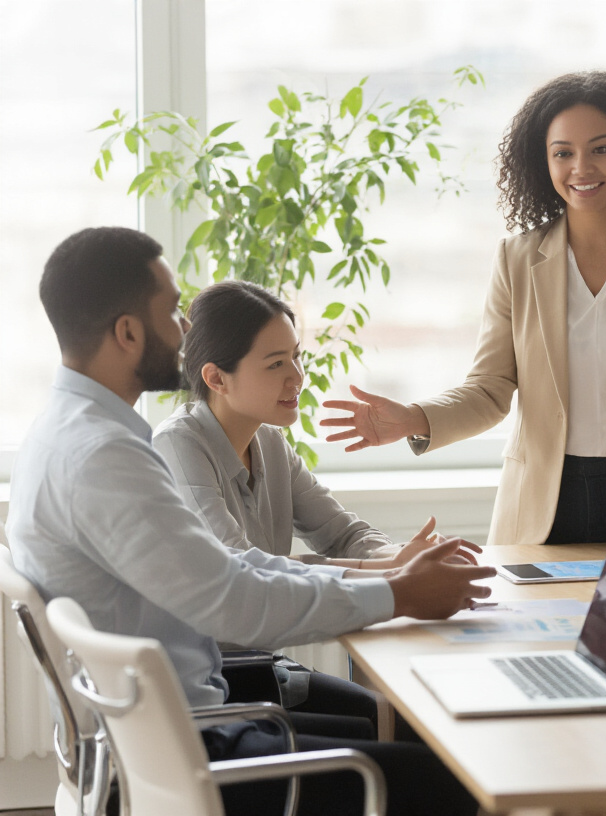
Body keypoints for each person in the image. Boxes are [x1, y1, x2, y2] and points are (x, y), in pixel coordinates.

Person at [6, 226, 495, 816]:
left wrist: (390, 580)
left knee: (403, 734)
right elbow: (234, 600)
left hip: (160, 732)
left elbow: (231, 571)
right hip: (180, 752)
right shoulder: (105, 456)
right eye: (173, 314)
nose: (187, 332)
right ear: (128, 332)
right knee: (451, 779)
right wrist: (396, 593)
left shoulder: (69, 431)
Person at [321, 70, 606, 546]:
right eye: (563, 153)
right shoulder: (516, 259)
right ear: (545, 162)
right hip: (543, 506)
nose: (581, 167)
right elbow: (491, 388)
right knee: (538, 624)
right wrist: (415, 418)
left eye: (601, 148)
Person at [154, 279, 476, 728]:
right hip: (217, 690)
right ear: (216, 378)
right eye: (276, 364)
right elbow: (247, 569)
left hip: (261, 670)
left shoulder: (268, 439)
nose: (298, 378)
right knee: (401, 727)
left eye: (296, 356)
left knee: (401, 713)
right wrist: (395, 576)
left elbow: (343, 532)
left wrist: (396, 556)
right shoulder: (179, 448)